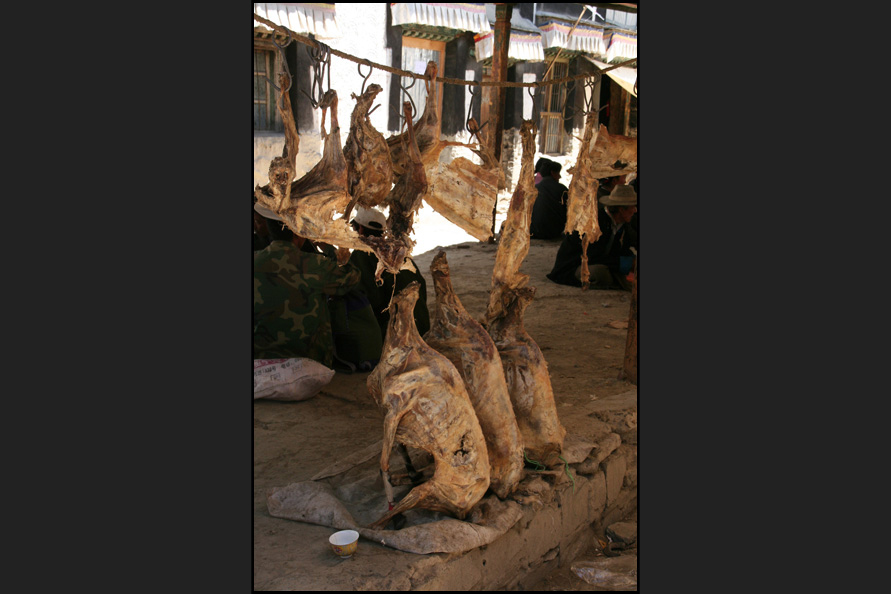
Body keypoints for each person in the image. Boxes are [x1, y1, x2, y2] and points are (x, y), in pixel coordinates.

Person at [253, 204, 381, 370]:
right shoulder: (316, 265)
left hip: (260, 362)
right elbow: (352, 276)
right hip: (309, 363)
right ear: (298, 233)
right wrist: (326, 246)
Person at [348, 205, 431, 340]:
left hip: (397, 334)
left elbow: (369, 298)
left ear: (360, 229)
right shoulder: (399, 250)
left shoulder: (362, 254)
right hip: (421, 328)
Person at [546, 184, 638, 290]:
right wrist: (626, 263)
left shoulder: (622, 224)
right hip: (574, 266)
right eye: (632, 207)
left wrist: (632, 260)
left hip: (601, 261)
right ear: (621, 209)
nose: (635, 210)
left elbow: (621, 250)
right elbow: (594, 256)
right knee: (600, 273)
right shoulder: (594, 223)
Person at [529, 159, 569, 240]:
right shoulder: (561, 189)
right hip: (553, 231)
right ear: (552, 173)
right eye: (558, 173)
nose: (560, 176)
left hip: (534, 231)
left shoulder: (534, 188)